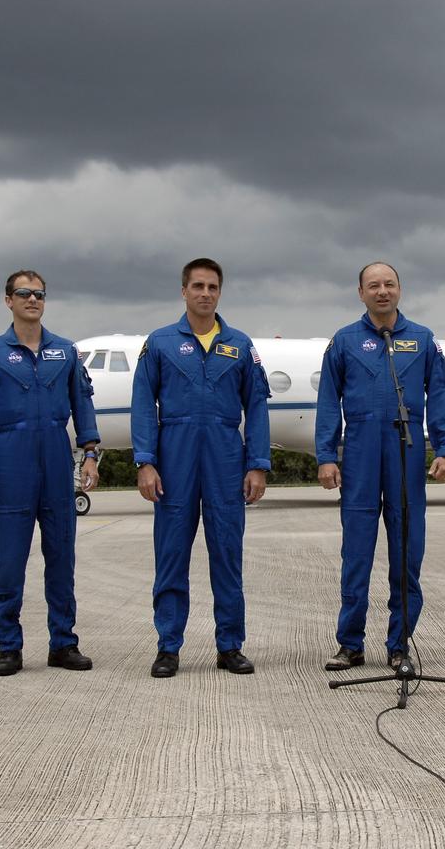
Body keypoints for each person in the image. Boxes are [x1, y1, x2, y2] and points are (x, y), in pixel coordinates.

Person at [0, 270, 100, 676]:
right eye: (24, 293)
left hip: (56, 456)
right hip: (12, 458)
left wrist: (89, 453)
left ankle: (63, 642)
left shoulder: (66, 352)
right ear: (8, 300)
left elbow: (82, 405)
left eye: (39, 294)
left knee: (61, 556)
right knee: (10, 559)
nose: (32, 300)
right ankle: (8, 645)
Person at [132, 258, 271, 679]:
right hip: (174, 457)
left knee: (227, 554)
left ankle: (230, 645)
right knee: (171, 553)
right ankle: (168, 646)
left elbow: (258, 406)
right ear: (184, 291)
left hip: (226, 457)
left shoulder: (240, 345)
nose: (205, 293)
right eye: (198, 286)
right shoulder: (160, 343)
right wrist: (145, 461)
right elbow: (142, 404)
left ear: (220, 292)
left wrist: (257, 465)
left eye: (212, 287)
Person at [316, 262, 445, 671]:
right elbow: (328, 402)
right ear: (360, 293)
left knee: (407, 552)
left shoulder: (423, 340)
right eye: (373, 285)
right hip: (359, 450)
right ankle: (350, 644)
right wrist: (327, 456)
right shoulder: (343, 342)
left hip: (406, 449)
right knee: (356, 554)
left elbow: (441, 398)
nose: (382, 291)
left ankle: (400, 645)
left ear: (400, 290)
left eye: (389, 284)